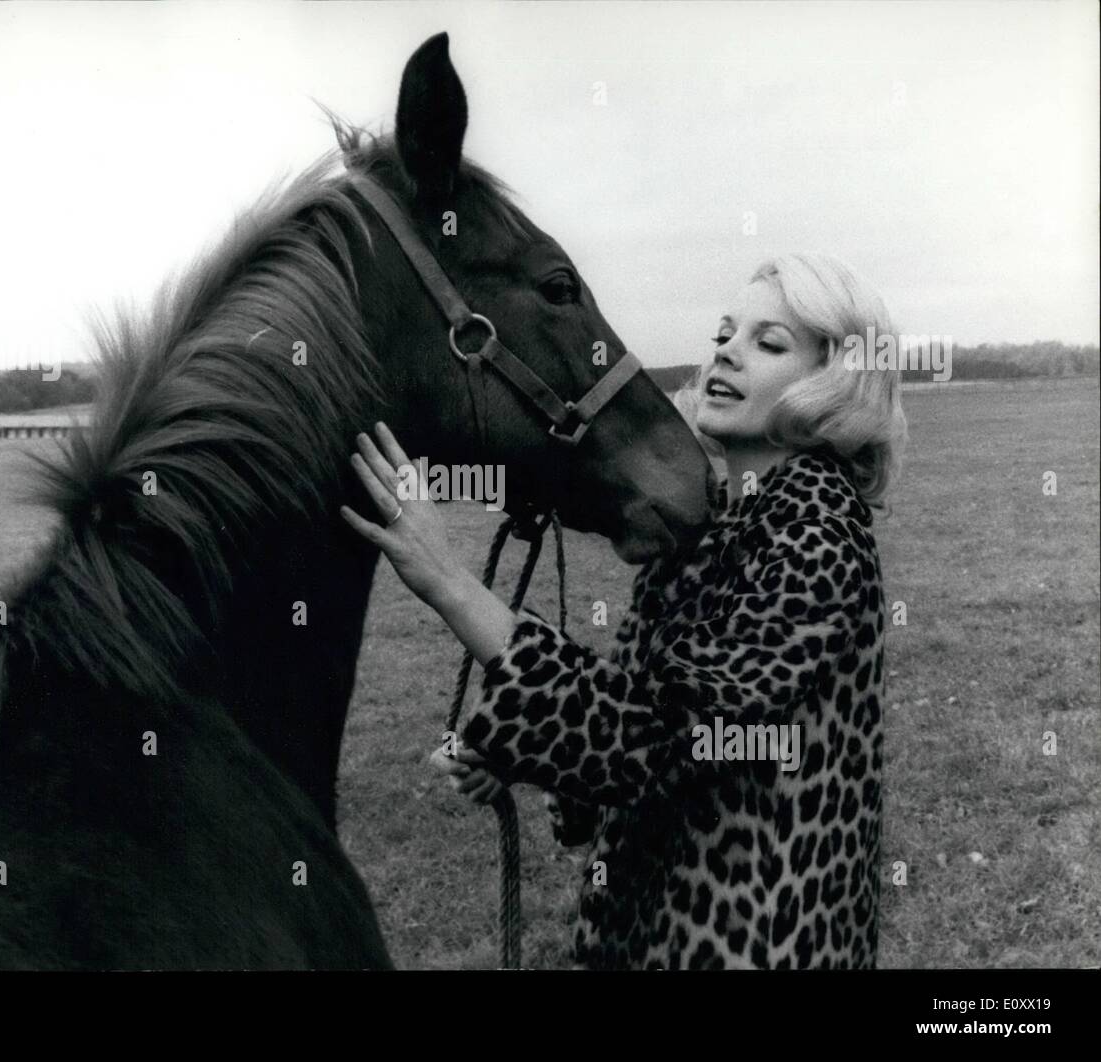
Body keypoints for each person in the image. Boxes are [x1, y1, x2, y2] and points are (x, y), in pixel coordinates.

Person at [340, 252, 907, 969]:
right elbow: (643, 736)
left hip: (756, 943)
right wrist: (524, 759)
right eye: (726, 333)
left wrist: (450, 581)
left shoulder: (814, 529)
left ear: (832, 381)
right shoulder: (715, 523)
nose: (728, 351)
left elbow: (648, 737)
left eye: (769, 343)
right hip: (654, 931)